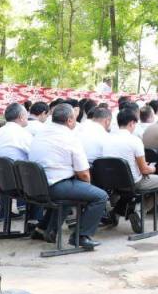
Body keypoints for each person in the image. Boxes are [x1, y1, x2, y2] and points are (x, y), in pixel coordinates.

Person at [27, 103, 108, 248]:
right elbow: (84, 173)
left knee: (71, 190)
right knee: (100, 196)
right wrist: (86, 187)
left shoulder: (41, 133)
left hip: (36, 186)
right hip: (54, 186)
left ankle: (44, 229)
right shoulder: (70, 138)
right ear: (70, 120)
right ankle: (81, 236)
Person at [102, 108, 158, 225]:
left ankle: (117, 212)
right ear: (132, 123)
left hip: (112, 182)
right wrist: (153, 168)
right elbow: (144, 170)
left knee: (128, 189)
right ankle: (140, 210)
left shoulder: (107, 139)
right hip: (134, 182)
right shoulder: (134, 140)